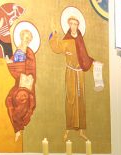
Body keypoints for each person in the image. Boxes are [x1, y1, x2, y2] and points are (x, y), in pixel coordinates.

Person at [49, 13, 95, 142]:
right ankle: (68, 129)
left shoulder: (80, 39)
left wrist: (94, 64)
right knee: (70, 98)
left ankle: (81, 130)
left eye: (75, 24)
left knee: (81, 100)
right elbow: (57, 47)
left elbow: (85, 57)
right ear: (69, 25)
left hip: (80, 74)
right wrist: (53, 34)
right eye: (71, 24)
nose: (73, 26)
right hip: (70, 72)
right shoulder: (67, 39)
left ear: (78, 26)